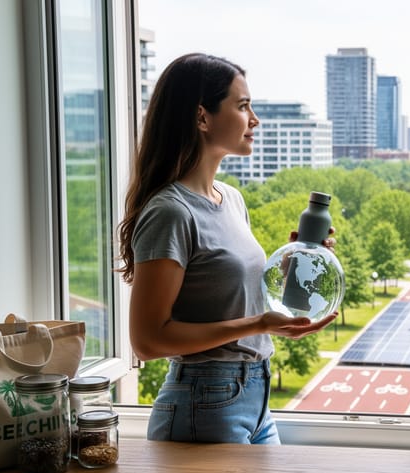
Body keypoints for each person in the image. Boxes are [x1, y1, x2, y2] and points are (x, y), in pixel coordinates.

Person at [116, 53, 337, 445]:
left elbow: (228, 296)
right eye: (242, 105)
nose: (255, 119)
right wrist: (259, 324)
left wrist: (296, 266)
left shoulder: (231, 199)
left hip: (256, 397)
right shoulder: (171, 212)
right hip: (205, 401)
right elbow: (148, 341)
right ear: (202, 118)